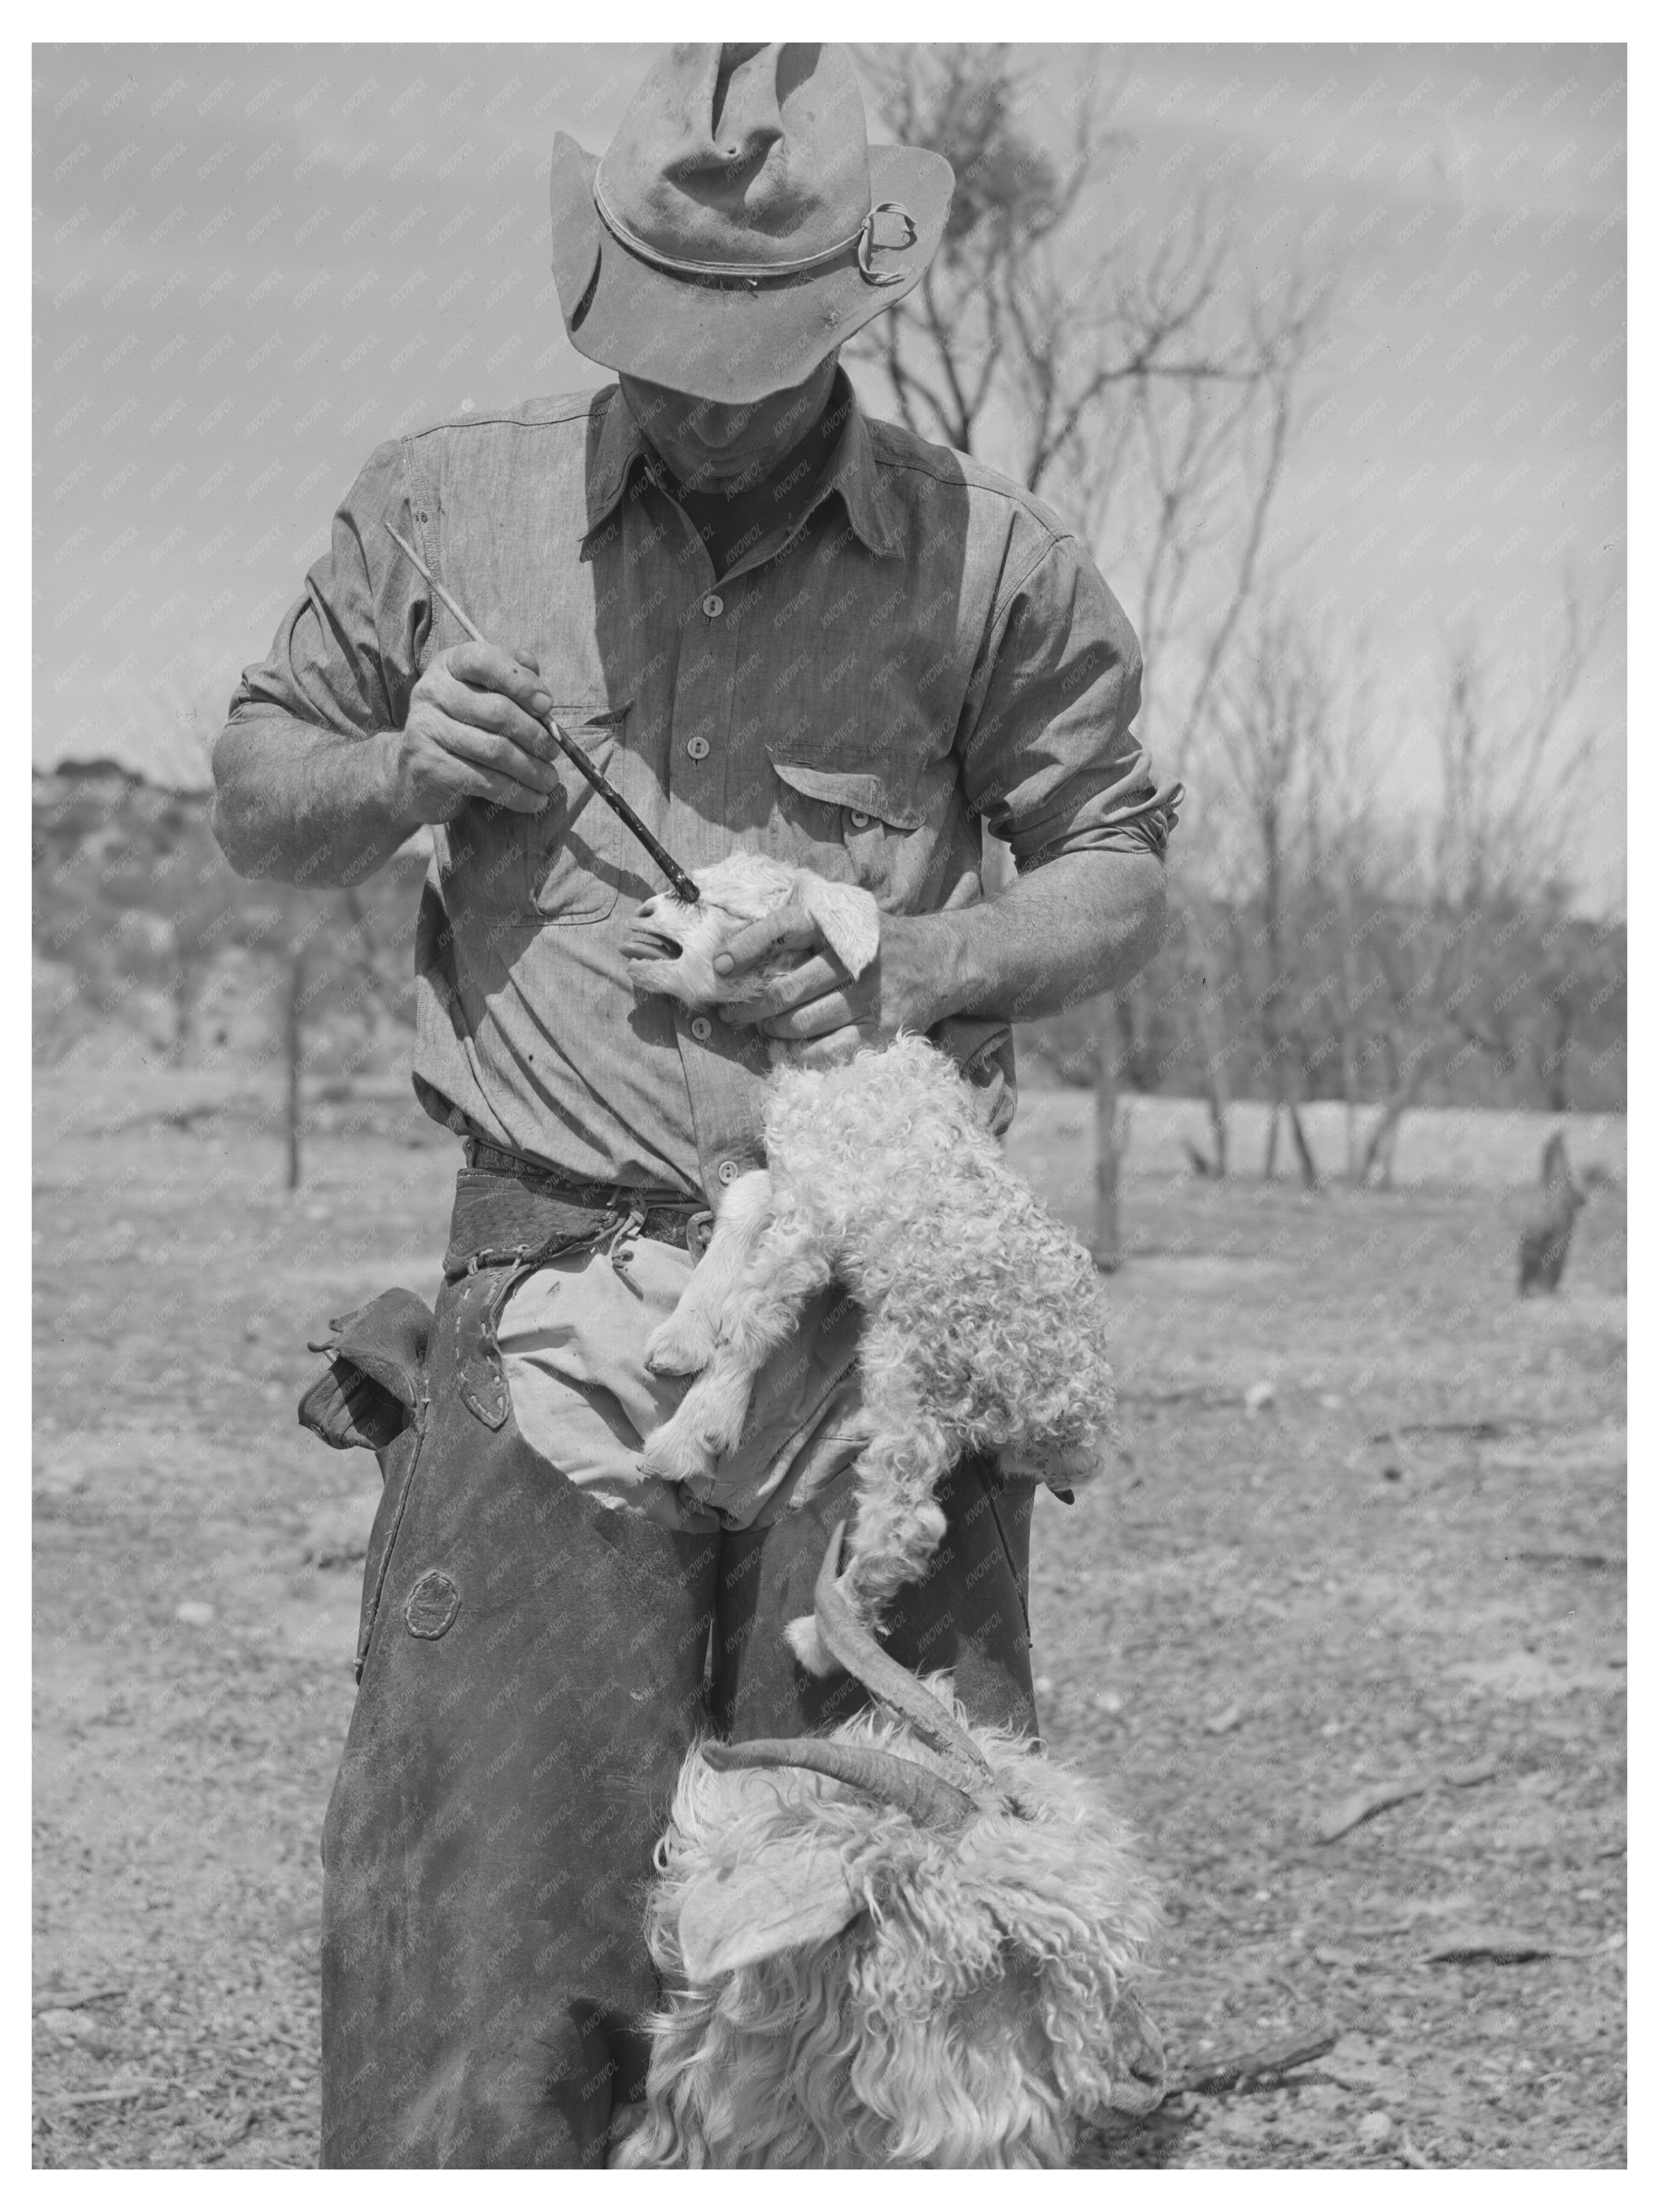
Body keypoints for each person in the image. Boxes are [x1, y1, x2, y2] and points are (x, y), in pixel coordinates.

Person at [211, 42, 1180, 2169]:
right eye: (670, 346)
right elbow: (257, 794)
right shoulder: (441, 508)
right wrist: (401, 770)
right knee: (500, 1949)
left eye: (760, 354)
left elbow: (1117, 871)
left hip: (877, 1331)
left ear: (855, 300)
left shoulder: (985, 563)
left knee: (880, 1946)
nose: (712, 396)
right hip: (552, 1306)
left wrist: (908, 957)